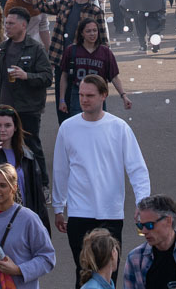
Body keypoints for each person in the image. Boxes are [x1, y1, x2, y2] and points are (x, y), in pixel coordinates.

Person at [49, 76, 150, 283]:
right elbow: (61, 170)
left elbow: (137, 169)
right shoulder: (68, 128)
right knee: (84, 274)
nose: (84, 100)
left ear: (104, 95)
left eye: (90, 95)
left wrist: (142, 203)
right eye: (81, 95)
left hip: (110, 214)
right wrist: (58, 207)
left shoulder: (119, 128)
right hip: (79, 213)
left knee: (108, 275)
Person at [0, 164, 58, 289]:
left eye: (2, 185)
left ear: (14, 187)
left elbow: (47, 258)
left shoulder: (29, 219)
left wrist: (18, 269)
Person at [0, 108, 51, 226]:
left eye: (8, 125)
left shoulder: (27, 155)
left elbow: (37, 195)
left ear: (15, 128)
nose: (3, 130)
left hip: (23, 217)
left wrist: (43, 227)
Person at [0, 7, 54, 143]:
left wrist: (26, 76)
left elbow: (47, 78)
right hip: (4, 110)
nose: (7, 27)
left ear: (23, 25)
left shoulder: (36, 49)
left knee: (30, 147)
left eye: (11, 23)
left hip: (27, 109)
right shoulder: (3, 47)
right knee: (3, 147)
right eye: (6, 23)